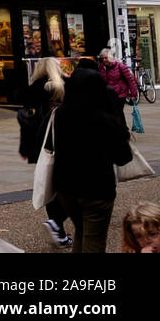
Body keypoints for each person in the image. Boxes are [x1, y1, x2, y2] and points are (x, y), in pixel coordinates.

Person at [52, 65, 132, 254]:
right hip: (96, 187)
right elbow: (123, 157)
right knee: (94, 239)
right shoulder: (104, 119)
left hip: (66, 188)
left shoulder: (61, 115)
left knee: (81, 231)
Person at [19, 56, 70, 247]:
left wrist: (25, 147)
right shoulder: (64, 84)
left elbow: (25, 119)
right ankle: (58, 224)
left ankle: (57, 225)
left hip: (42, 141)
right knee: (65, 184)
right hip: (64, 139)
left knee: (49, 182)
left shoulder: (35, 87)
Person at [98, 48, 138, 121]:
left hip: (119, 94)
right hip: (108, 94)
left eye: (106, 58)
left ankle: (123, 130)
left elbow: (131, 81)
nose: (104, 60)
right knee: (114, 113)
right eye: (102, 58)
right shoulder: (101, 67)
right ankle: (123, 129)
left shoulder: (120, 66)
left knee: (117, 112)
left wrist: (133, 94)